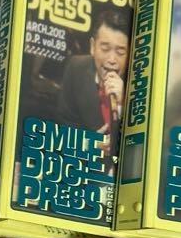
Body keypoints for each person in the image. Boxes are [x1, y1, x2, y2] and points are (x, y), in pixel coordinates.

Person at [56, 10, 130, 142]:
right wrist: (88, 145)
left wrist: (123, 104)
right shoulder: (76, 68)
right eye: (105, 49)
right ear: (92, 46)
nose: (112, 59)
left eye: (120, 52)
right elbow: (64, 126)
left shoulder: (142, 83)